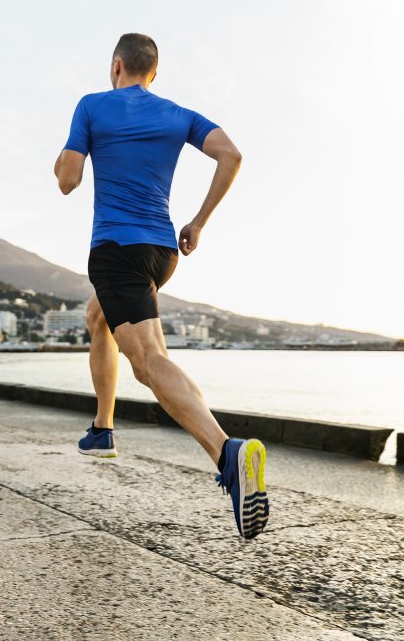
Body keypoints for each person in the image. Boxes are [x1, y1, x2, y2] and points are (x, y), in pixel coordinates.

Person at [54, 33, 269, 539]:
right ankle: (103, 429)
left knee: (149, 363)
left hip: (117, 250)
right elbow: (231, 155)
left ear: (117, 66)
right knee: (97, 317)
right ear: (153, 72)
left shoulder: (93, 105)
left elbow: (67, 180)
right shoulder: (178, 114)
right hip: (161, 252)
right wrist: (199, 222)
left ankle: (226, 452)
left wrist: (66, 156)